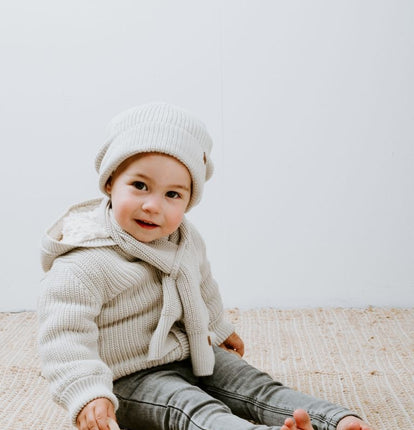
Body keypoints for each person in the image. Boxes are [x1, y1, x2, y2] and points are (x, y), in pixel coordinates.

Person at [37, 102, 373, 430]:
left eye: (173, 194)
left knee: (253, 384)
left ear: (189, 199)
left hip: (190, 352)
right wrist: (88, 394)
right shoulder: (83, 260)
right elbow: (64, 339)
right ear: (110, 182)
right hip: (126, 377)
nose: (153, 205)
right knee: (191, 408)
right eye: (139, 186)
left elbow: (203, 286)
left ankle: (336, 420)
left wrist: (220, 327)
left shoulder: (185, 239)